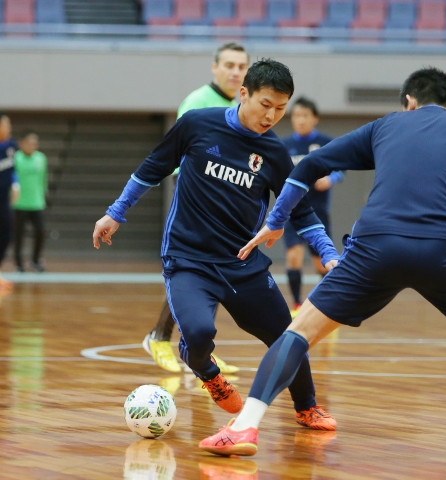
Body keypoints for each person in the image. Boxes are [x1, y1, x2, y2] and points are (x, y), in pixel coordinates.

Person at [198, 66, 446, 457]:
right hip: (441, 251)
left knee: (298, 332)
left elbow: (308, 166)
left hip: (374, 249)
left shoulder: (386, 126)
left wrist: (276, 220)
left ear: (409, 101)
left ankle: (245, 427)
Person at [93, 58, 339, 431]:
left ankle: (307, 406)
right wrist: (116, 212)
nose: (271, 115)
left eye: (280, 108)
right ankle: (208, 373)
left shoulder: (273, 154)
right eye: (265, 104)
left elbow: (302, 214)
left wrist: (330, 253)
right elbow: (150, 169)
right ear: (244, 94)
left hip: (242, 264)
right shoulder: (197, 124)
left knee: (289, 335)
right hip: (188, 259)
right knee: (198, 333)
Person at [143, 41, 250, 375]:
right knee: (193, 274)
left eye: (241, 66)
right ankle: (158, 337)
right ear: (214, 67)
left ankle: (200, 351)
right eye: (229, 65)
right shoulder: (198, 102)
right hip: (196, 204)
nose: (235, 72)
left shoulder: (238, 106)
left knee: (213, 274)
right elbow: (178, 157)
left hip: (224, 206)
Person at [281, 96, 343, 317]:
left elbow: (340, 168)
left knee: (321, 264)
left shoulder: (326, 142)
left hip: (317, 212)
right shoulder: (285, 145)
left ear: (314, 118)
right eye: (296, 115)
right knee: (294, 256)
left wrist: (331, 179)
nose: (300, 120)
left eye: (305, 115)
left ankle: (326, 306)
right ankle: (297, 305)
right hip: (292, 210)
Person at [13, 129, 48, 273]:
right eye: (30, 142)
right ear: (22, 143)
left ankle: (35, 260)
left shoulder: (41, 158)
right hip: (19, 204)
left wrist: (43, 195)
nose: (33, 145)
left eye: (35, 142)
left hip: (36, 203)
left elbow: (43, 179)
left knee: (41, 231)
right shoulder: (16, 158)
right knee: (18, 235)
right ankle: (19, 263)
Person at [0, 113, 19, 292]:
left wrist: (16, 184)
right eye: (6, 124)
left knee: (6, 235)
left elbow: (14, 169)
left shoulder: (12, 146)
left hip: (4, 199)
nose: (9, 127)